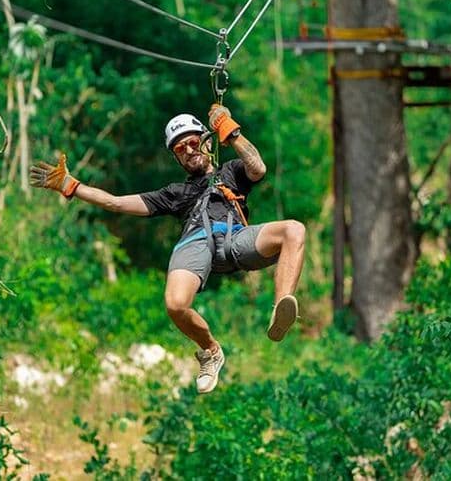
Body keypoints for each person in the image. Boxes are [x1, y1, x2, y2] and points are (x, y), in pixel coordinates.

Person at [30, 104, 305, 394]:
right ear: (176, 158)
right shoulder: (175, 193)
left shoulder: (232, 172)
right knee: (175, 304)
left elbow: (258, 167)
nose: (187, 150)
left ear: (206, 142)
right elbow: (116, 202)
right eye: (179, 149)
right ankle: (210, 351)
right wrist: (71, 185)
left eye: (192, 142)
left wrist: (229, 129)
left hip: (236, 238)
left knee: (294, 229)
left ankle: (281, 307)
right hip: (197, 242)